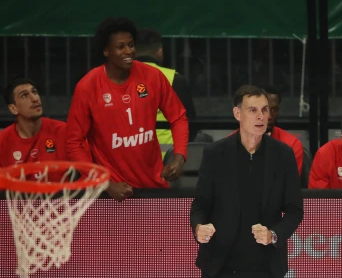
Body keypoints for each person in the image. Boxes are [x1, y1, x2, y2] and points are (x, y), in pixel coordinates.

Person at [188, 85, 304, 278]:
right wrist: (199, 227)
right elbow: (200, 206)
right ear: (237, 113)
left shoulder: (283, 155)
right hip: (221, 266)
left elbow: (295, 210)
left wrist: (275, 234)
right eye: (253, 110)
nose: (261, 116)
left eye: (265, 110)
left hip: (263, 269)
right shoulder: (216, 154)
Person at [65, 17, 189, 201]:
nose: (129, 51)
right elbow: (73, 143)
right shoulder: (88, 87)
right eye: (120, 47)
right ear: (106, 51)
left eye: (131, 45)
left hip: (153, 187)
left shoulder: (153, 76)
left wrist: (179, 157)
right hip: (110, 193)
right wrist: (105, 184)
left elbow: (178, 117)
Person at [136, 28, 197, 154]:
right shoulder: (174, 79)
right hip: (168, 158)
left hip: (125, 159)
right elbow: (190, 124)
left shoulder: (115, 78)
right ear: (159, 51)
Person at [0, 77, 67, 168]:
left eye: (34, 92)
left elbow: (85, 168)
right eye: (24, 95)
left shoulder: (63, 131)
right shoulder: (2, 142)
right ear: (13, 108)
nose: (35, 99)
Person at [260, 84, 303, 174]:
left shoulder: (291, 145)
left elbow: (289, 181)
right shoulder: (232, 144)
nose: (269, 116)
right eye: (264, 109)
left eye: (274, 109)